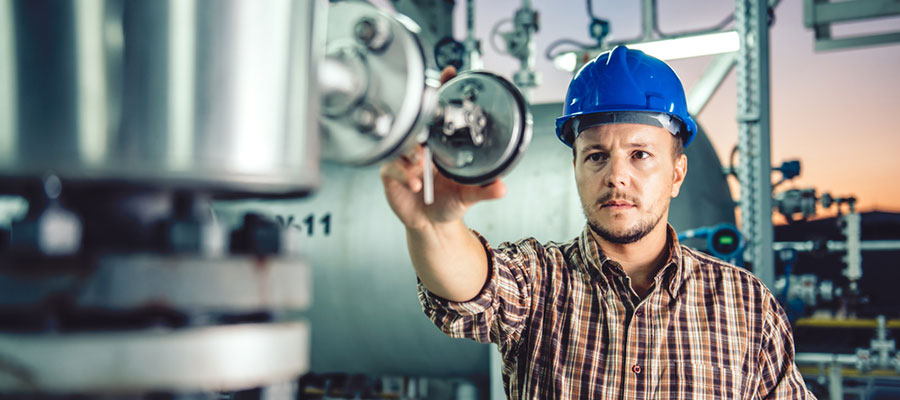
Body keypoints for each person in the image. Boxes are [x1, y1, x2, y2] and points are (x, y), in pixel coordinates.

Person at [380, 46, 814, 399]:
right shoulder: (540, 283)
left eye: (640, 155)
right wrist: (432, 225)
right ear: (576, 167)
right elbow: (471, 287)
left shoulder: (746, 306)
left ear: (677, 173)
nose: (616, 175)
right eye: (596, 156)